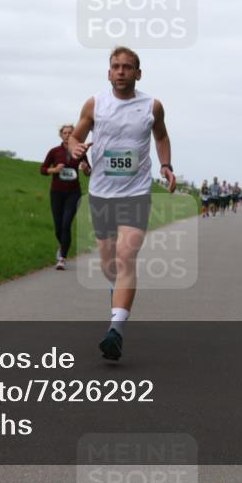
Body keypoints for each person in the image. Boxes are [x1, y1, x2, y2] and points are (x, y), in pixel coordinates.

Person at [69, 46, 175, 361]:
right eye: (115, 66)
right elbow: (75, 137)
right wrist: (76, 150)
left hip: (136, 192)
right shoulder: (95, 104)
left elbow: (161, 137)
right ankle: (117, 298)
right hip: (101, 192)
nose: (121, 72)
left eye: (127, 67)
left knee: (126, 257)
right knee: (109, 264)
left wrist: (166, 166)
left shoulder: (152, 106)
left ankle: (115, 329)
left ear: (137, 73)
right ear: (108, 72)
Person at [40, 124, 90, 270]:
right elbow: (42, 169)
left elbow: (89, 172)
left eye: (70, 133)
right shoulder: (54, 152)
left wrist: (86, 169)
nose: (68, 135)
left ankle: (62, 258)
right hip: (56, 193)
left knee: (66, 224)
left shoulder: (80, 151)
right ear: (61, 135)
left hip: (74, 193)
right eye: (65, 133)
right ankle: (63, 246)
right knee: (58, 227)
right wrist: (54, 170)